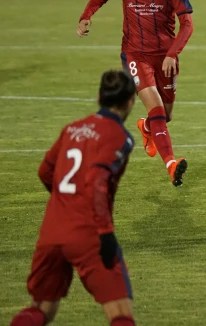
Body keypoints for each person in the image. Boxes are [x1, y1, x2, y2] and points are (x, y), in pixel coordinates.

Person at [10, 70, 137, 326]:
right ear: (130, 101)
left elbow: (45, 171)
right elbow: (99, 182)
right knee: (120, 313)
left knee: (41, 308)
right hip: (89, 232)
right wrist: (105, 232)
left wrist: (65, 203)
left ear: (99, 97)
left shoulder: (72, 128)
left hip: (53, 230)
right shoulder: (119, 136)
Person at [77, 0, 192, 186]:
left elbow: (187, 24)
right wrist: (86, 16)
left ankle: (147, 128)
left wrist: (173, 53)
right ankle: (171, 164)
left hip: (165, 59)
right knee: (158, 110)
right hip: (135, 55)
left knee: (165, 116)